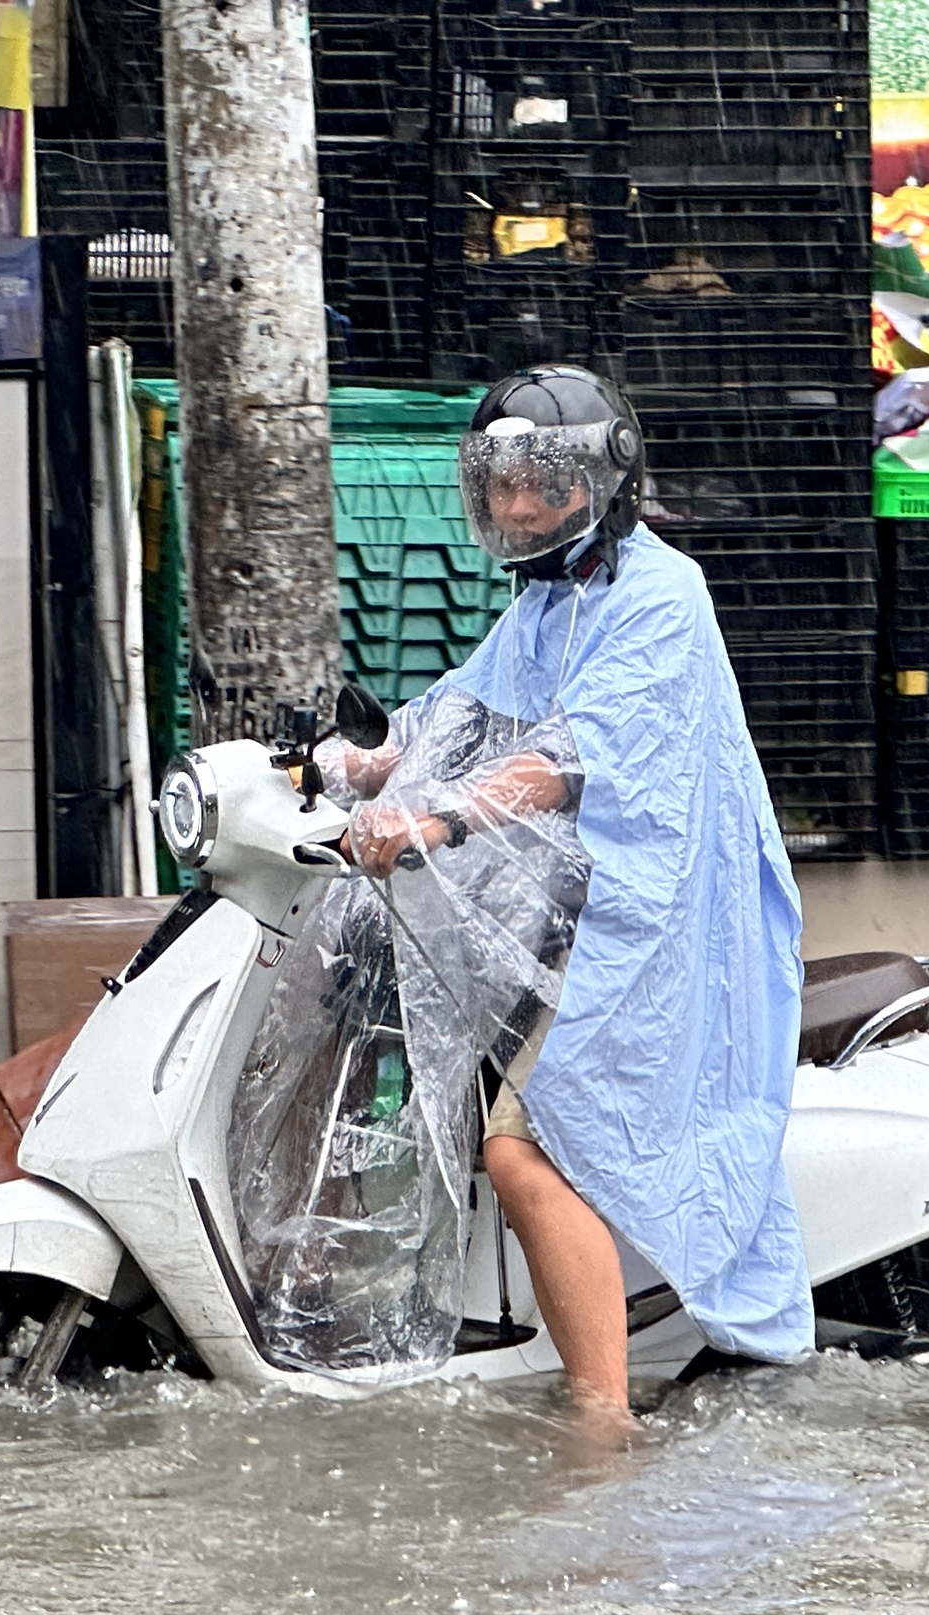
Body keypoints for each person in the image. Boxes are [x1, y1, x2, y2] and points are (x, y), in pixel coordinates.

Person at [318, 365, 809, 1425]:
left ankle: (600, 1421)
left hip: (659, 921)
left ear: (602, 482)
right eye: (501, 487)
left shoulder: (657, 592)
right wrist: (357, 764)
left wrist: (442, 818)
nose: (519, 506)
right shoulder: (548, 598)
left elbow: (568, 755)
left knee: (521, 1145)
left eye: (542, 484)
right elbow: (460, 709)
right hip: (564, 913)